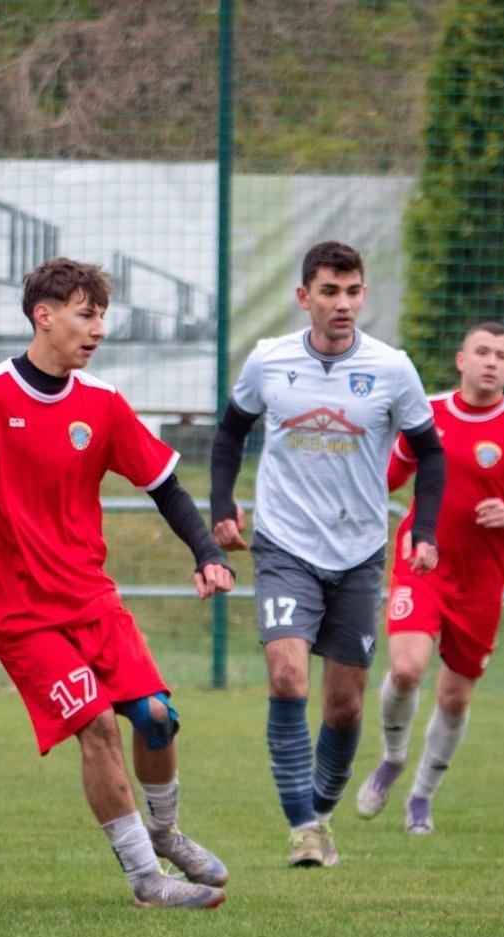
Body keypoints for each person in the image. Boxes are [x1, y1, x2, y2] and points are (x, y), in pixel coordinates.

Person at [0, 257, 232, 910]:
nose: (99, 329)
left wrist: (205, 551)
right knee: (97, 724)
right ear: (43, 315)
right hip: (19, 612)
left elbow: (165, 485)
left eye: (102, 315)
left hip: (91, 600)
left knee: (157, 717)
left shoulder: (102, 404)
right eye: (87, 314)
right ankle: (147, 882)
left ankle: (165, 834)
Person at [209, 240, 445, 868]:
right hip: (284, 543)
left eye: (353, 291)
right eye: (330, 292)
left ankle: (319, 811)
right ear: (303, 296)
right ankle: (303, 827)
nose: (343, 303)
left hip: (360, 552)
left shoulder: (392, 368)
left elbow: (431, 452)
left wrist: (424, 530)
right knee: (287, 677)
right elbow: (230, 432)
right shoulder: (270, 359)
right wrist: (222, 504)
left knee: (344, 708)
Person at [355, 320, 504, 834]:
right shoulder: (426, 412)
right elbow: (389, 475)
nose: (491, 362)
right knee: (407, 669)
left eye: (501, 355)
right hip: (421, 563)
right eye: (482, 351)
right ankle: (392, 759)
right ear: (461, 360)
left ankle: (421, 797)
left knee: (455, 698)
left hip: (480, 584)